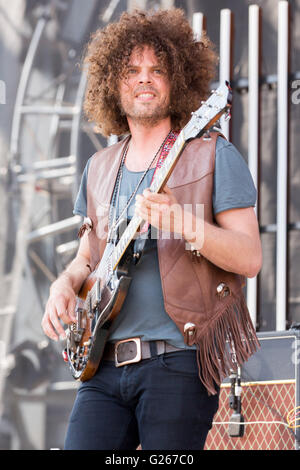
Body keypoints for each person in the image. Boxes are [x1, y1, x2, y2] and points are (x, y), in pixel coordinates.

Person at [41, 8, 262, 450]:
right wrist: (63, 285)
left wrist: (183, 222)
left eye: (157, 69)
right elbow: (89, 257)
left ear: (177, 79)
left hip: (177, 364)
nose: (145, 79)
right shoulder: (99, 168)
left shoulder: (213, 156)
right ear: (112, 82)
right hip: (101, 369)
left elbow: (249, 257)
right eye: (132, 70)